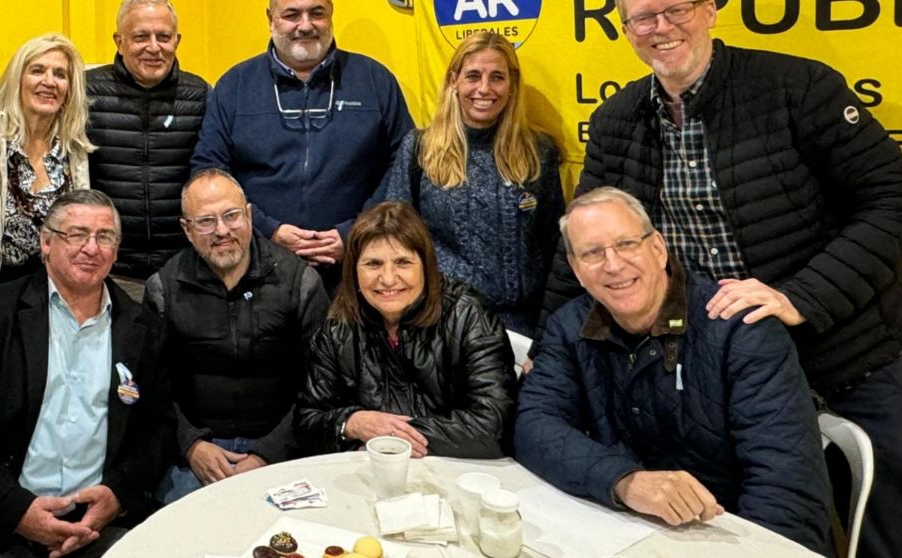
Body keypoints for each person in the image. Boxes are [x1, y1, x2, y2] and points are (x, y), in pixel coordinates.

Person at [534, 2, 902, 555]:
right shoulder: (618, 119)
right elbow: (585, 239)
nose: (661, 28)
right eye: (643, 18)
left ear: (709, 10)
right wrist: (547, 344)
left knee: (878, 519)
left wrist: (800, 297)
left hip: (846, 353)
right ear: (626, 30)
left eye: (675, 8)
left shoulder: (797, 88)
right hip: (719, 362)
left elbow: (890, 201)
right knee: (732, 514)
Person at [516, 188, 832, 555]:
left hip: (729, 538)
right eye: (592, 253)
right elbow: (533, 424)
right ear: (576, 269)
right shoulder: (569, 326)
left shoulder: (742, 330)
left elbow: (788, 493)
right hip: (629, 532)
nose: (613, 264)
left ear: (658, 248)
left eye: (626, 244)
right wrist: (625, 482)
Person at [0, 190, 175, 557]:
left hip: (98, 524)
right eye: (77, 234)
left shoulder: (142, 328)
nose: (91, 248)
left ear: (116, 250)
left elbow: (158, 429)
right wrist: (15, 509)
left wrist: (117, 496)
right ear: (46, 243)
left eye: (105, 237)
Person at [191, 0, 414, 292]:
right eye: (292, 14)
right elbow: (208, 170)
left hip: (356, 271)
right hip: (259, 270)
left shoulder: (375, 79)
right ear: (271, 18)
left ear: (331, 15)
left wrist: (357, 232)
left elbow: (405, 163)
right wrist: (266, 229)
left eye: (317, 13)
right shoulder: (235, 86)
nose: (306, 25)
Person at [144, 168, 329, 503]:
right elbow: (151, 387)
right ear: (187, 230)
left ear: (249, 215)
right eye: (206, 221)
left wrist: (268, 453)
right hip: (194, 454)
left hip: (286, 447)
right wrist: (190, 445)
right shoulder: (162, 289)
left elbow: (322, 386)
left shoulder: (300, 282)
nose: (222, 230)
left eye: (231, 216)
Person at [294, 202, 516, 459]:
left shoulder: (468, 315)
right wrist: (351, 423)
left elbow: (494, 424)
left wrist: (390, 438)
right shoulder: (338, 325)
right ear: (354, 270)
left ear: (426, 265)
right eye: (373, 264)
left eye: (403, 262)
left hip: (456, 469)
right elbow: (306, 423)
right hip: (367, 470)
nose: (388, 278)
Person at [386, 32, 562, 336]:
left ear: (512, 85)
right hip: (444, 323)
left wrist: (549, 324)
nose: (484, 88)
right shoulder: (420, 149)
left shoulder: (538, 151)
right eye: (473, 76)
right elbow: (396, 239)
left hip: (524, 326)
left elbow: (554, 243)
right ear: (454, 81)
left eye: (497, 77)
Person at [87, 0, 208, 298]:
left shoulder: (200, 95)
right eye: (141, 37)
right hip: (108, 270)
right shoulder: (86, 92)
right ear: (119, 42)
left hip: (183, 271)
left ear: (177, 41)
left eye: (163, 37)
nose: (154, 48)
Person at [0, 33, 94, 281]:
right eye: (37, 70)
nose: (49, 82)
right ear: (17, 79)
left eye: (60, 74)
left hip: (57, 287)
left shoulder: (74, 148)